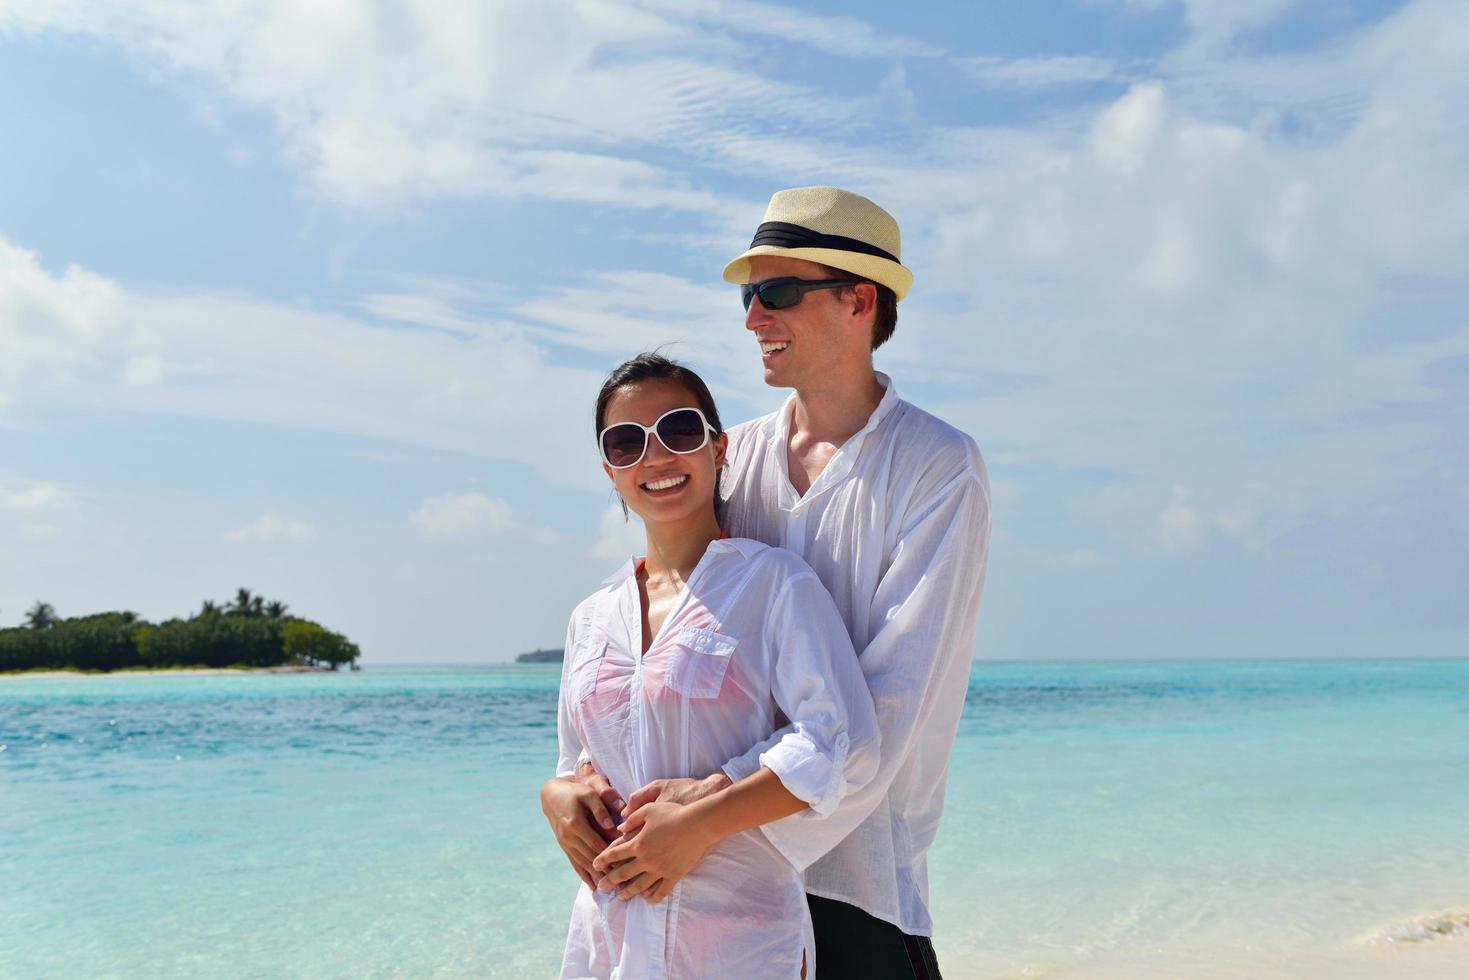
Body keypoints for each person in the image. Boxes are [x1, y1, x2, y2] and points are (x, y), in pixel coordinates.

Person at [549, 187, 992, 978]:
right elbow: (665, 639)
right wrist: (571, 786)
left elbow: (890, 703)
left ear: (859, 299)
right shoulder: (728, 452)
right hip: (701, 890)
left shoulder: (936, 466)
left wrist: (708, 812)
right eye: (748, 297)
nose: (752, 317)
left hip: (855, 877)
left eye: (776, 292)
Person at [548, 353, 880, 979]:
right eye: (626, 442)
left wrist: (699, 822)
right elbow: (576, 764)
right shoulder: (591, 618)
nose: (655, 456)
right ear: (609, 470)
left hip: (738, 941)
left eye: (677, 430)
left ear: (718, 447)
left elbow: (837, 741)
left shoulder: (773, 583)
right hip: (611, 936)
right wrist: (554, 796)